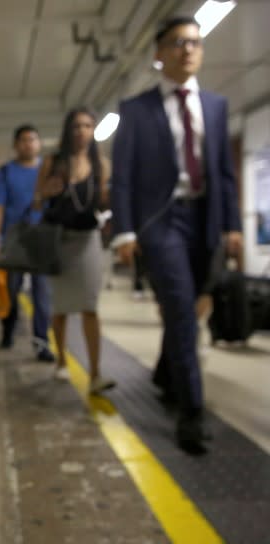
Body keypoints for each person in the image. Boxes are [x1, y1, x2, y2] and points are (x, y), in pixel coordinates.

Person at [110, 16, 243, 454]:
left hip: (206, 220)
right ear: (159, 53)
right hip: (161, 222)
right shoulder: (136, 110)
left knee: (191, 308)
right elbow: (124, 178)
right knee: (182, 312)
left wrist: (233, 227)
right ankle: (191, 414)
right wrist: (125, 231)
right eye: (178, 43)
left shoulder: (217, 106)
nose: (189, 49)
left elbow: (223, 173)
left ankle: (167, 374)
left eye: (195, 42)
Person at [33, 107, 114, 394]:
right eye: (77, 126)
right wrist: (47, 193)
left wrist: (111, 200)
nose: (82, 131)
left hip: (87, 239)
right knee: (61, 308)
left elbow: (103, 201)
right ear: (68, 130)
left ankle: (95, 373)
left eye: (88, 126)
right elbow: (37, 202)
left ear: (93, 131)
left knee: (90, 306)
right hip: (59, 240)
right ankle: (62, 363)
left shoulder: (100, 164)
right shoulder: (53, 162)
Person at [0, 125, 55, 362]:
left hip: (42, 239)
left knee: (42, 295)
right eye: (24, 140)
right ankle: (8, 331)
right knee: (11, 291)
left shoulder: (49, 173)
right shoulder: (5, 173)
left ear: (39, 144)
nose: (28, 144)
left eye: (33, 140)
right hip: (13, 238)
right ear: (16, 145)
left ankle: (41, 343)